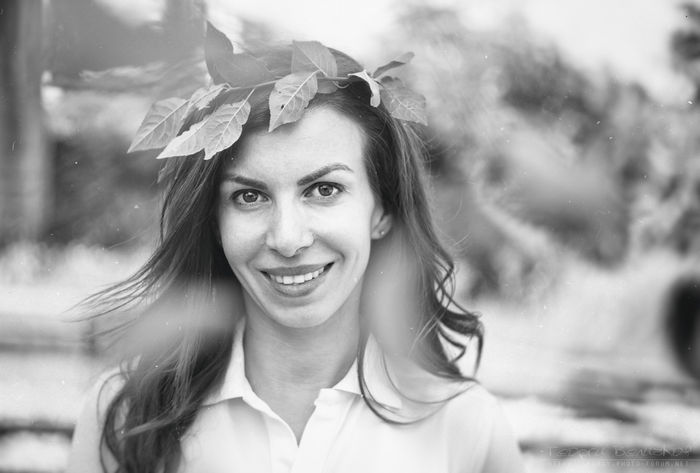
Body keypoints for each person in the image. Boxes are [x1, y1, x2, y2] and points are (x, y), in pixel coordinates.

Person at [66, 38, 526, 473]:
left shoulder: (466, 428)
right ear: (214, 221)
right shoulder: (123, 415)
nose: (287, 239)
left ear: (382, 209)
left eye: (324, 189)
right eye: (249, 196)